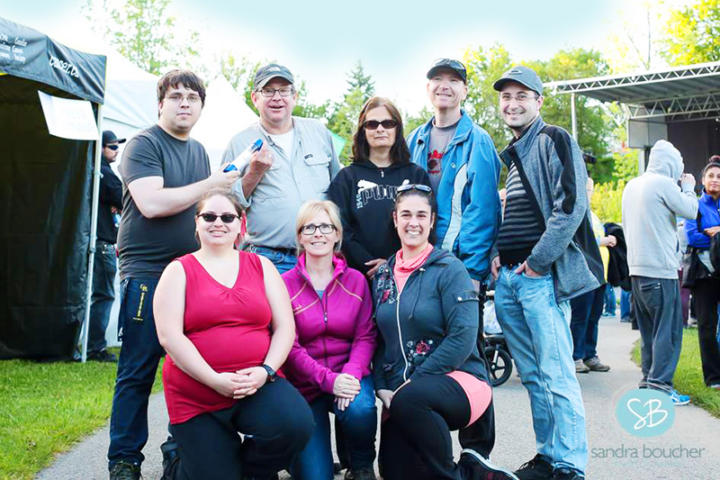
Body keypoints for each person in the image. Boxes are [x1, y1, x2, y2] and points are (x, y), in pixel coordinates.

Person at [108, 70, 240, 480]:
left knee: (188, 369)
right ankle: (124, 460)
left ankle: (178, 453)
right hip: (147, 274)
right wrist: (211, 183)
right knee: (138, 370)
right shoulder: (143, 144)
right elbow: (151, 203)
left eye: (192, 98)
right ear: (160, 104)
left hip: (190, 274)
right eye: (176, 96)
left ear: (201, 107)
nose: (185, 103)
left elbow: (206, 211)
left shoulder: (198, 150)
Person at [491, 66, 604, 480]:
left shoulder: (553, 138)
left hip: (540, 279)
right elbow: (514, 212)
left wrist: (538, 263)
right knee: (534, 377)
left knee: (557, 373)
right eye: (506, 97)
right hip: (510, 281)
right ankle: (548, 454)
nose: (513, 103)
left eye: (522, 95)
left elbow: (570, 206)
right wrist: (496, 252)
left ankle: (570, 465)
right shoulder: (515, 153)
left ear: (538, 101)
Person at [153, 189, 313, 479]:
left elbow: (285, 327)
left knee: (296, 426)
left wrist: (266, 371)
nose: (218, 223)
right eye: (209, 216)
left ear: (241, 224)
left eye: (227, 217)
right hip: (197, 392)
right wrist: (214, 380)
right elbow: (170, 337)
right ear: (197, 223)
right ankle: (177, 461)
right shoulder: (178, 271)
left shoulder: (261, 266)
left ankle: (250, 472)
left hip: (257, 383)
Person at [373, 184, 512, 480]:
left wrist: (412, 383)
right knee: (393, 471)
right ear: (395, 219)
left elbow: (463, 337)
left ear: (432, 220)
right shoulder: (383, 275)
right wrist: (382, 386)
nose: (413, 222)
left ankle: (455, 475)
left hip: (461, 380)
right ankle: (474, 473)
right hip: (404, 392)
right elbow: (379, 339)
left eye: (421, 215)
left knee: (411, 400)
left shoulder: (450, 269)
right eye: (406, 214)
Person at [406, 58, 502, 473]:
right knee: (430, 350)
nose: (444, 86)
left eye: (453, 81)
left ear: (464, 90)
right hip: (420, 264)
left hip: (461, 266)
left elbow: (483, 211)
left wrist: (472, 272)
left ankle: (477, 451)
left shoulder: (478, 141)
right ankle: (426, 437)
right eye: (437, 80)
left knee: (469, 353)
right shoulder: (415, 139)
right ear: (427, 88)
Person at [282, 200, 378, 480]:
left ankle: (360, 464)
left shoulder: (356, 280)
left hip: (347, 374)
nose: (318, 234)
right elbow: (290, 346)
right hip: (305, 382)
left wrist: (349, 375)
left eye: (325, 226)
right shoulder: (284, 284)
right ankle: (297, 457)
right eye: (309, 227)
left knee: (360, 409)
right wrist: (328, 380)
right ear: (300, 237)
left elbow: (365, 335)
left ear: (337, 234)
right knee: (315, 476)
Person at [222, 63, 341, 273]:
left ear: (294, 96)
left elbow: (339, 188)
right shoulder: (240, 143)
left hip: (321, 256)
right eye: (268, 91)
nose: (277, 97)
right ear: (255, 98)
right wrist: (254, 173)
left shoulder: (319, 132)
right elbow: (225, 205)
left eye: (284, 90)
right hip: (269, 260)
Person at [622, 139, 698, 404]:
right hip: (660, 271)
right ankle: (661, 387)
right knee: (668, 332)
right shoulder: (663, 184)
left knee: (649, 333)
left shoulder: (632, 185)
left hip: (637, 271)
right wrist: (688, 188)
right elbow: (691, 210)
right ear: (671, 164)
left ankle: (648, 380)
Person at [328, 97, 430, 278]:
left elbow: (426, 224)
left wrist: (394, 263)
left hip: (408, 274)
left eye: (388, 123)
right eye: (372, 124)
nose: (380, 129)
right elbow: (341, 229)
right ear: (363, 131)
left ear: (397, 128)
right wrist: (369, 264)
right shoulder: (346, 178)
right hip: (359, 276)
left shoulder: (416, 175)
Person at [84, 130, 125, 362]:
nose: (117, 150)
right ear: (100, 148)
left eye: (118, 146)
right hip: (103, 242)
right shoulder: (104, 172)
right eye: (112, 146)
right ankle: (95, 348)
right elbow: (124, 199)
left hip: (95, 240)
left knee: (99, 294)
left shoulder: (91, 170)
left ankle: (92, 345)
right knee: (104, 295)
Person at [684, 161, 720, 390]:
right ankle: (714, 378)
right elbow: (693, 237)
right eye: (711, 175)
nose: (715, 179)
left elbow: (704, 235)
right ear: (703, 180)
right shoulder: (695, 205)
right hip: (704, 275)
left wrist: (717, 232)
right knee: (707, 326)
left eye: (719, 176)